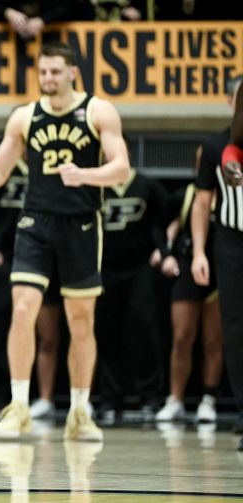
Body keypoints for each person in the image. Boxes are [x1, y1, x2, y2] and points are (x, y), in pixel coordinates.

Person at [0, 40, 130, 441]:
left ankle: (81, 412)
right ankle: (18, 407)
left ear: (72, 72)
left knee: (81, 320)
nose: (47, 78)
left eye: (54, 71)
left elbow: (121, 169)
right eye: (42, 72)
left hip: (82, 221)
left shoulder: (99, 110)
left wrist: (85, 176)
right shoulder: (25, 117)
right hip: (36, 221)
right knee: (23, 308)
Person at [0, 160, 63, 420]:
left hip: (43, 253)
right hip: (5, 256)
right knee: (3, 326)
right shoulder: (3, 164)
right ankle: (4, 397)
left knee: (47, 331)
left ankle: (44, 398)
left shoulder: (51, 163)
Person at [94, 165, 168, 423]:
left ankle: (150, 397)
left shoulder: (147, 185)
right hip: (104, 270)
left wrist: (163, 248)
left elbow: (168, 215)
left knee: (143, 328)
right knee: (105, 333)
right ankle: (109, 400)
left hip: (139, 269)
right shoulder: (95, 186)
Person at [193, 75, 243, 450]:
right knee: (234, 324)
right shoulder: (216, 145)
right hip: (230, 240)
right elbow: (201, 202)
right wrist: (197, 251)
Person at [157, 178, 222, 423]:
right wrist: (166, 255)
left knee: (214, 341)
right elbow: (158, 226)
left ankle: (209, 399)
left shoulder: (233, 193)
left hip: (222, 272)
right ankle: (175, 399)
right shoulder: (185, 195)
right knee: (182, 337)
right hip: (189, 268)